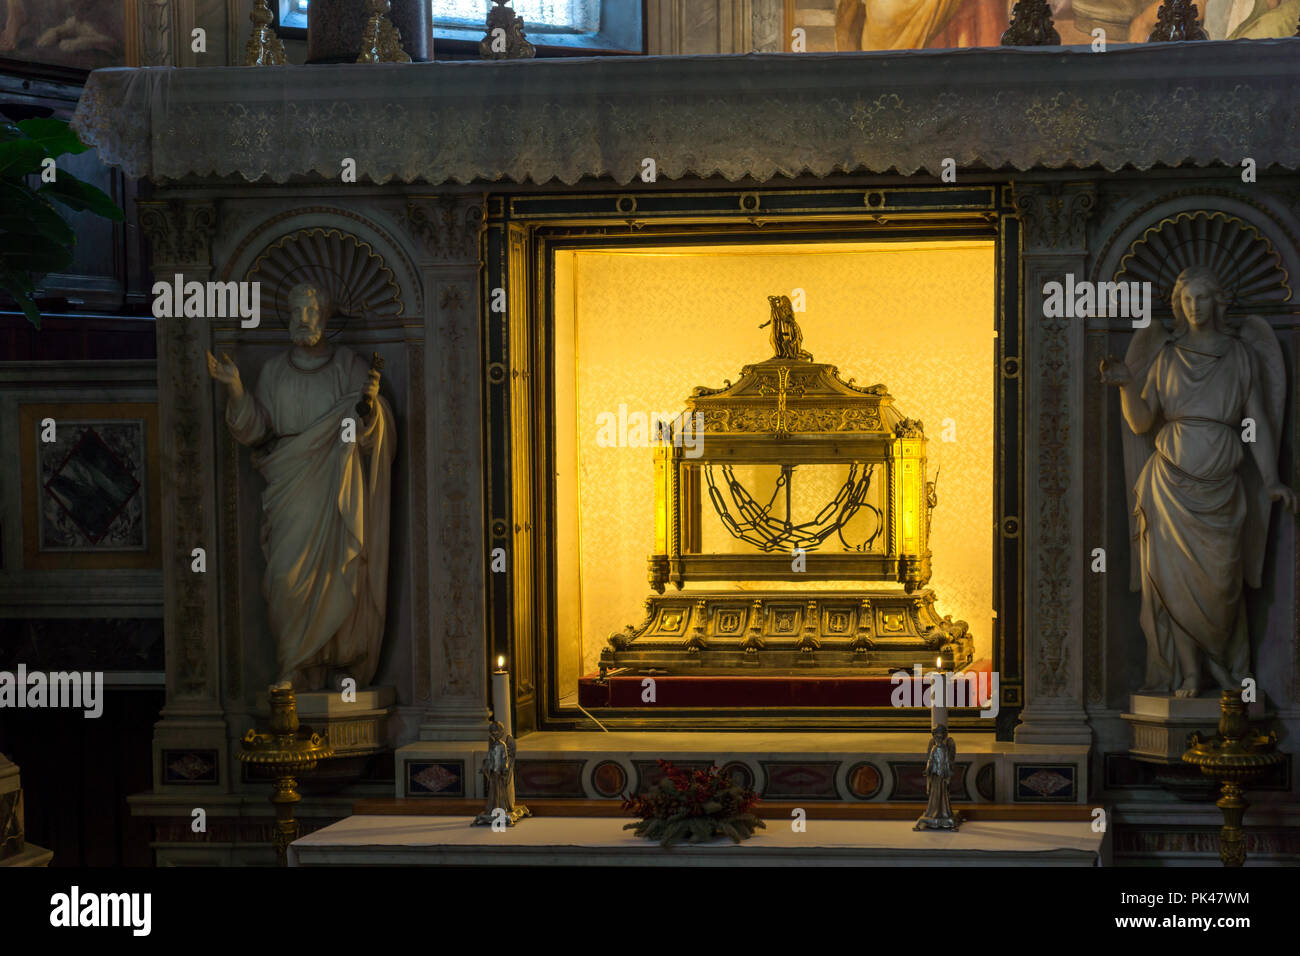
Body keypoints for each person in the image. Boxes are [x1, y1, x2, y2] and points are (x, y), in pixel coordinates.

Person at [1101, 266, 1296, 697]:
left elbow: (1258, 420)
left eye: (1202, 298)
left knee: (1221, 582)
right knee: (1172, 581)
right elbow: (1141, 422)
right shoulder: (1166, 355)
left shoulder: (1240, 354)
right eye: (1187, 299)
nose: (1194, 307)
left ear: (1217, 302)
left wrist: (1271, 479)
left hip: (1222, 485)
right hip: (1168, 483)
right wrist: (1126, 386)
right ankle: (1189, 672)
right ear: (1178, 304)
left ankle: (1222, 666)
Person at [207, 282, 395, 691]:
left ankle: (332, 664)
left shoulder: (350, 366)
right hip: (288, 484)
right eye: (295, 312)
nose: (302, 319)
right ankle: (292, 665)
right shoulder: (274, 371)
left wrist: (367, 408)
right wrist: (236, 387)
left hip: (334, 483)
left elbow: (368, 433)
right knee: (284, 580)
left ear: (325, 317)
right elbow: (255, 432)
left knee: (339, 572)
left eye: (309, 312)